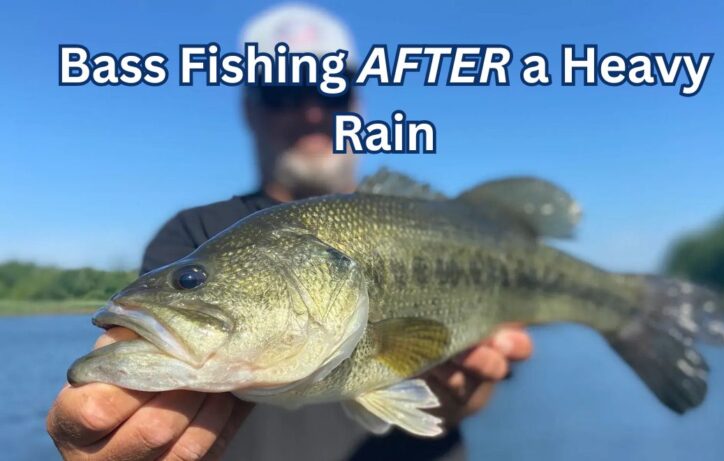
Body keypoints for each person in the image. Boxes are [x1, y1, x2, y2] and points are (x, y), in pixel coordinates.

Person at [47, 4, 533, 460]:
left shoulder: (446, 231)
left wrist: (465, 395)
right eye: (283, 92)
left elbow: (473, 378)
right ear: (250, 108)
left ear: (357, 101)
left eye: (330, 90)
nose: (311, 113)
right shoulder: (191, 232)